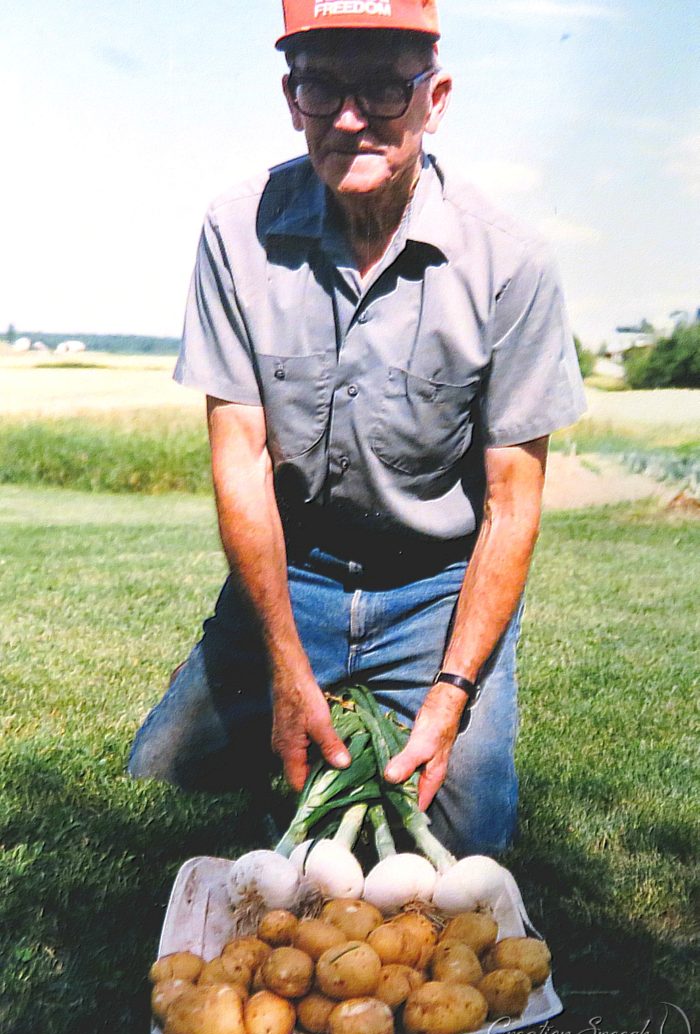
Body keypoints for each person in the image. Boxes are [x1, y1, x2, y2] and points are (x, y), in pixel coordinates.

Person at [128, 0, 586, 857]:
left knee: (467, 837)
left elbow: (512, 505)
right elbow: (241, 461)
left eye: (383, 87)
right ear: (289, 95)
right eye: (321, 85)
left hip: (434, 589)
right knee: (165, 778)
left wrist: (450, 695)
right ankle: (314, 702)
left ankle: (397, 703)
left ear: (435, 96)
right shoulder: (237, 230)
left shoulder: (510, 260)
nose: (350, 117)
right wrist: (286, 666)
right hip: (294, 573)